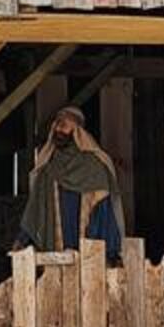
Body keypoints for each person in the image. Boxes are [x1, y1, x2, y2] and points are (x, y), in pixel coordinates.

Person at [17, 106, 125, 260]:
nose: (58, 128)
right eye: (57, 124)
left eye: (64, 124)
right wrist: (23, 238)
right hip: (56, 247)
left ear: (78, 131)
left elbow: (104, 211)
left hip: (88, 247)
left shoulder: (93, 166)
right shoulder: (49, 167)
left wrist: (111, 251)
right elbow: (35, 207)